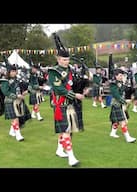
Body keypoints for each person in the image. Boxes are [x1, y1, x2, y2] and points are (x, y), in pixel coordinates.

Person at [48, 37, 84, 167]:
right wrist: (75, 95)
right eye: (64, 59)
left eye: (67, 59)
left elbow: (72, 84)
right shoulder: (53, 72)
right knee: (66, 130)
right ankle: (71, 157)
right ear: (58, 59)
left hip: (70, 104)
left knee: (69, 130)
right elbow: (59, 88)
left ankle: (59, 149)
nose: (66, 61)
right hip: (60, 104)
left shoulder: (70, 70)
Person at [0, 64, 28, 141]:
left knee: (17, 117)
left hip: (18, 101)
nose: (14, 73)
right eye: (12, 71)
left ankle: (12, 131)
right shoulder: (5, 81)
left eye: (15, 71)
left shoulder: (17, 80)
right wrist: (16, 96)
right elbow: (5, 91)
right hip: (10, 101)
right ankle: (18, 135)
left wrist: (24, 93)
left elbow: (19, 89)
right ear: (8, 72)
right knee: (15, 118)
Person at [109, 68, 136, 143]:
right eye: (120, 75)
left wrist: (124, 83)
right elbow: (116, 95)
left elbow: (123, 90)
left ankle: (113, 133)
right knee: (123, 122)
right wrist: (124, 101)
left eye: (122, 75)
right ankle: (128, 137)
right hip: (117, 104)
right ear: (116, 76)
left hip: (120, 104)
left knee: (116, 121)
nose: (121, 77)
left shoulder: (120, 83)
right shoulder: (113, 83)